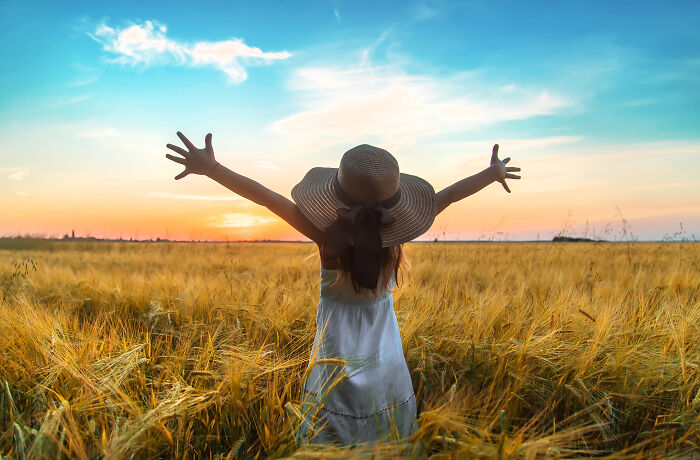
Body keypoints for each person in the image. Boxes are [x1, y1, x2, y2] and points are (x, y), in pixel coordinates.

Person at [165, 132, 521, 445]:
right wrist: (493, 174)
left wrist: (212, 169)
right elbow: (452, 194)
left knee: (333, 422)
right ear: (397, 204)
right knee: (388, 427)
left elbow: (267, 198)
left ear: (336, 197)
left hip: (335, 354)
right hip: (386, 356)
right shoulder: (392, 240)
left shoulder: (327, 238)